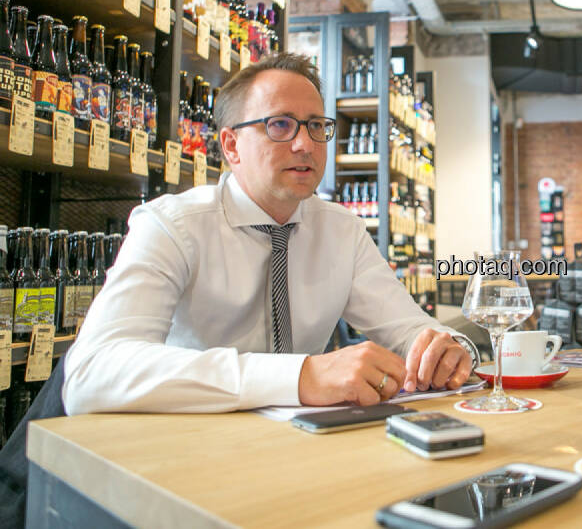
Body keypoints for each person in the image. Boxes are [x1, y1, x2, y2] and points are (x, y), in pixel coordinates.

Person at [62, 53, 477, 414]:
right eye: (280, 125)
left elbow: (408, 330)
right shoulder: (171, 226)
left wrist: (448, 350)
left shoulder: (341, 231)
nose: (305, 144)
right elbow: (92, 372)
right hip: (189, 451)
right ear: (231, 146)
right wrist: (299, 376)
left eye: (316, 126)